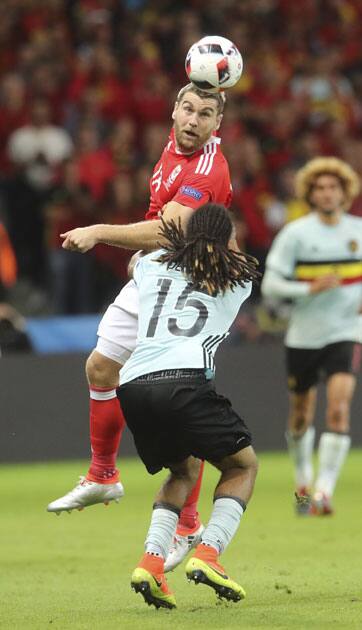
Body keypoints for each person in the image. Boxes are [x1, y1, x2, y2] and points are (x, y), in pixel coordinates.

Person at [47, 83, 233, 570]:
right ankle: (103, 473)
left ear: (218, 124)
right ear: (174, 109)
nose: (193, 120)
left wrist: (99, 231)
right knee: (101, 367)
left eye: (205, 114)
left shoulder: (209, 168)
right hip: (153, 279)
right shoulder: (170, 151)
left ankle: (189, 523)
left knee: (177, 403)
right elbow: (158, 222)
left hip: (183, 292)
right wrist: (143, 262)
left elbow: (167, 229)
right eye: (188, 108)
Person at [116, 203, 259, 609]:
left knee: (184, 469)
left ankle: (152, 563)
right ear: (227, 238)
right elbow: (227, 259)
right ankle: (209, 553)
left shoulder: (152, 262)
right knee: (241, 465)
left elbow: (133, 261)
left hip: (134, 383)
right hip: (186, 381)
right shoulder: (240, 276)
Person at [261, 157, 362, 515]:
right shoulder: (296, 234)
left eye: (333, 187)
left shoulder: (358, 231)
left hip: (346, 332)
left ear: (345, 192)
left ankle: (323, 492)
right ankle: (303, 481)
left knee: (338, 409)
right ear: (310, 194)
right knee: (301, 414)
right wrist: (309, 288)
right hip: (303, 336)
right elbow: (270, 284)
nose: (327, 193)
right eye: (319, 188)